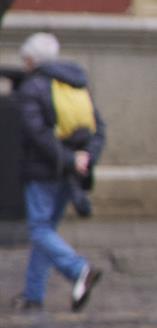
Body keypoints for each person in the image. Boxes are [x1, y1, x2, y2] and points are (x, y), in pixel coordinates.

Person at [13, 32, 105, 312]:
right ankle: (33, 296)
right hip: (70, 172)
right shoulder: (75, 84)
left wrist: (66, 159)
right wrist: (83, 159)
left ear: (31, 60)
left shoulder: (33, 87)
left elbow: (37, 134)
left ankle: (80, 270)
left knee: (40, 229)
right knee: (46, 230)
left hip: (44, 171)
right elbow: (98, 128)